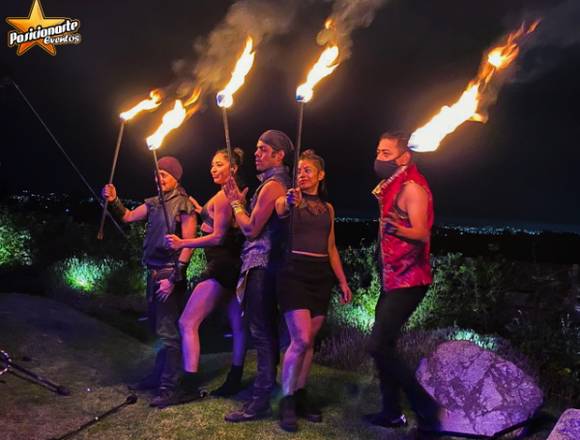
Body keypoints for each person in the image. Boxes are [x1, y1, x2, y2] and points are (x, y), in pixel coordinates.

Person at [101, 156, 197, 408]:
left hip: (168, 275)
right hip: (152, 274)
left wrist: (175, 278)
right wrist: (114, 200)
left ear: (176, 177)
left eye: (164, 175)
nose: (159, 178)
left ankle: (169, 387)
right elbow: (128, 217)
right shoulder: (153, 203)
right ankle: (157, 377)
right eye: (156, 174)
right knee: (158, 330)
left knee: (168, 334)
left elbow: (187, 246)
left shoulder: (184, 205)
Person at [366, 131, 440, 432]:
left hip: (410, 280)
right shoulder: (391, 186)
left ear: (404, 157)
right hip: (393, 278)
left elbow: (422, 232)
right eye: (378, 152)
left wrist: (398, 230)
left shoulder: (413, 188)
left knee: (379, 345)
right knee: (384, 345)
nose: (379, 158)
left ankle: (426, 409)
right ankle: (391, 412)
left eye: (386, 153)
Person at [274, 149, 352, 432]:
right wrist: (288, 201)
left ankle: (301, 394)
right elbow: (280, 208)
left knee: (310, 342)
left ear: (321, 175)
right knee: (301, 338)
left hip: (321, 277)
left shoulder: (328, 209)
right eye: (299, 170)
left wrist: (342, 281)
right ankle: (286, 400)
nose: (302, 174)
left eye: (308, 170)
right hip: (294, 273)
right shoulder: (289, 200)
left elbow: (331, 248)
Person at [164, 148, 247, 403]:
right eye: (212, 164)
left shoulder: (225, 196)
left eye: (219, 164)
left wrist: (183, 243)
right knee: (237, 323)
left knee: (187, 322)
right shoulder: (228, 194)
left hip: (221, 265)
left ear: (232, 169)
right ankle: (235, 377)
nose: (213, 169)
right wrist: (202, 210)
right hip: (233, 265)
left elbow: (219, 236)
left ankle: (188, 386)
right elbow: (219, 222)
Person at [222, 129, 294, 422]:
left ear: (278, 155)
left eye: (263, 149)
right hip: (267, 266)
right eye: (256, 147)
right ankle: (266, 389)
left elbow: (251, 229)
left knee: (261, 333)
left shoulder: (273, 186)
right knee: (265, 332)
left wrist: (235, 202)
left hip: (262, 265)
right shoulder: (274, 184)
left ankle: (259, 400)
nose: (256, 153)